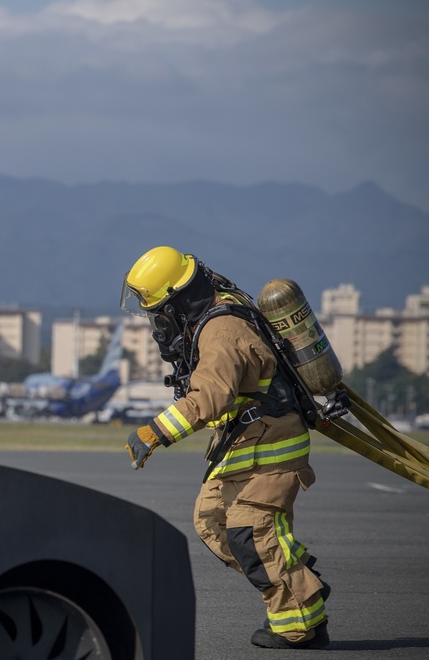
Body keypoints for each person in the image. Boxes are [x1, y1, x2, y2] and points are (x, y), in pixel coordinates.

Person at [120, 246, 330, 650]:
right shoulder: (219, 307)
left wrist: (153, 432)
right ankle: (300, 582)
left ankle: (299, 626)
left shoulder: (220, 332)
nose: (158, 322)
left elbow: (210, 398)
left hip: (272, 446)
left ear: (180, 300)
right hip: (245, 442)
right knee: (211, 521)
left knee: (251, 533)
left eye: (160, 310)